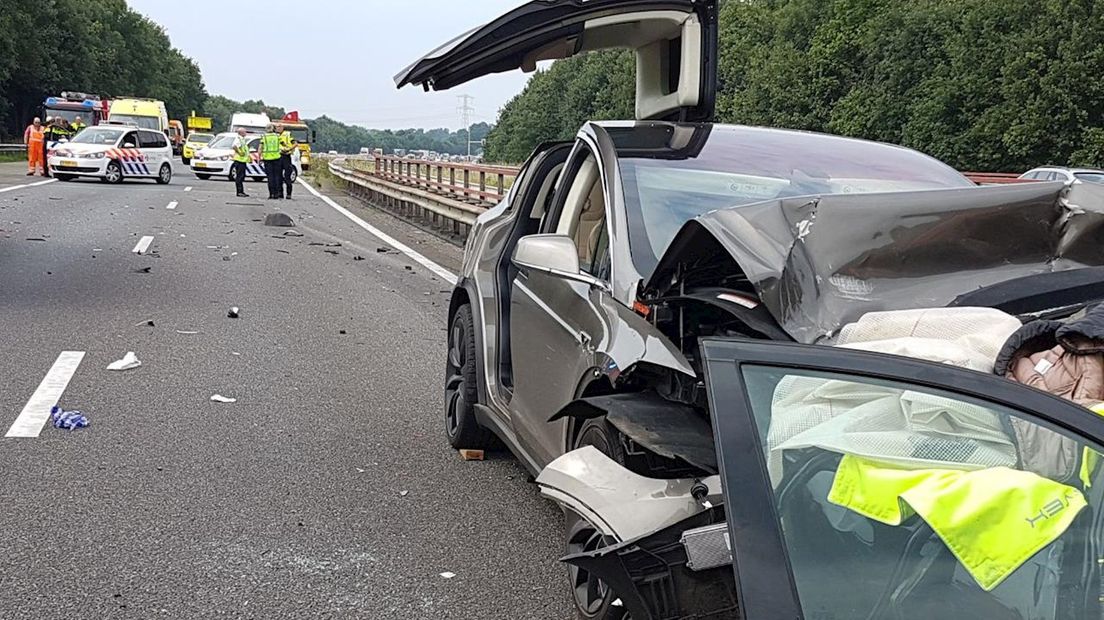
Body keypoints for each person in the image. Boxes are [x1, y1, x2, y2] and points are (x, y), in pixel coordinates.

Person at [259, 124, 283, 199]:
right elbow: (283, 146)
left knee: (270, 177)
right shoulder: (277, 136)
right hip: (277, 158)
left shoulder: (264, 137)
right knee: (277, 177)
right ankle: (276, 194)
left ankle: (271, 194)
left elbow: (260, 148)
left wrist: (259, 158)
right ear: (273, 129)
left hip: (267, 159)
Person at [277, 123, 298, 199]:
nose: (278, 128)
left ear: (283, 128)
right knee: (278, 177)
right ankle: (280, 194)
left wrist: (289, 149)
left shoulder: (287, 134)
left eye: (279, 127)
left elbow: (295, 144)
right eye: (277, 127)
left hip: (286, 156)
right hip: (278, 156)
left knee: (287, 177)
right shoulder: (276, 136)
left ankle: (289, 194)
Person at [230, 127, 251, 198]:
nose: (246, 133)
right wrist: (239, 152)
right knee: (240, 176)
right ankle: (239, 192)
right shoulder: (239, 139)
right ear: (241, 133)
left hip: (242, 160)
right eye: (245, 132)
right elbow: (234, 146)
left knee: (241, 176)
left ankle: (241, 191)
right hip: (239, 160)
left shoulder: (242, 139)